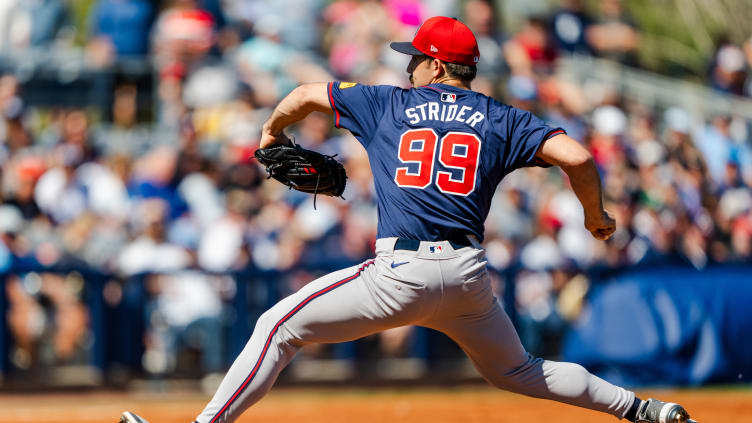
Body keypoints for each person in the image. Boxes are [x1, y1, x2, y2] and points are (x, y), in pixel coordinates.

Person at [120, 16, 697, 423]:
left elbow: (302, 94)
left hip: (400, 273)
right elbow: (577, 157)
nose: (412, 64)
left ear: (437, 63)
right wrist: (596, 216)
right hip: (468, 277)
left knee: (277, 326)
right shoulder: (501, 117)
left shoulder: (387, 102)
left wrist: (272, 134)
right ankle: (644, 410)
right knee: (518, 371)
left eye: (417, 57)